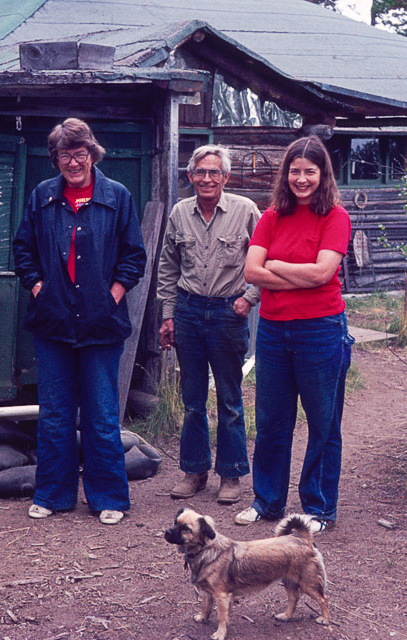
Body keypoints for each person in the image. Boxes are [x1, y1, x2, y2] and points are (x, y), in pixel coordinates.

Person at [12, 118, 146, 526]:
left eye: (80, 152)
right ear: (56, 159)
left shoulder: (117, 197)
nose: (73, 162)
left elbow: (134, 256)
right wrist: (39, 289)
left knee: (101, 415)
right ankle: (53, 495)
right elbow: (23, 250)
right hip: (52, 323)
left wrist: (112, 297)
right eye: (65, 155)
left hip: (101, 325)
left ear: (92, 153)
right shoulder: (42, 197)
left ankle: (109, 498)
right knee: (55, 413)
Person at [234, 136, 353, 533]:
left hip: (320, 330)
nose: (301, 179)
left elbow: (324, 273)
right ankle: (267, 502)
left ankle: (318, 510)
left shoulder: (335, 216)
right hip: (273, 330)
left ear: (323, 175)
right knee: (271, 420)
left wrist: (277, 265)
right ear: (285, 174)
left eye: (310, 172)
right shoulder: (271, 216)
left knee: (322, 423)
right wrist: (300, 274)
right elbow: (251, 272)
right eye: (295, 171)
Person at [157, 145, 261, 504]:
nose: (206, 179)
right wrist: (168, 314)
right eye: (200, 172)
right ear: (190, 176)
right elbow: (168, 267)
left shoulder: (245, 211)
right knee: (192, 398)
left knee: (230, 399)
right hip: (187, 312)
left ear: (226, 177)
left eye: (214, 172)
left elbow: (268, 255)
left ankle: (231, 475)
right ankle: (194, 471)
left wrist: (250, 297)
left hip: (227, 314)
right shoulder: (179, 213)